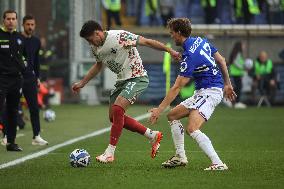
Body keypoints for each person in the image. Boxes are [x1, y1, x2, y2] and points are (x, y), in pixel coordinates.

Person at [72, 20, 179, 163]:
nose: (90, 43)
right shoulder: (95, 48)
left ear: (97, 33)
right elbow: (98, 66)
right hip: (121, 81)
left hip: (137, 77)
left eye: (91, 39)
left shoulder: (119, 36)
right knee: (114, 117)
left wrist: (170, 50)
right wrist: (82, 83)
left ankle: (110, 153)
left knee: (118, 109)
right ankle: (152, 135)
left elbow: (146, 42)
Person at [149, 18, 236, 170]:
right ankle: (180, 156)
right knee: (173, 115)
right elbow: (221, 60)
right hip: (204, 91)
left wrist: (158, 109)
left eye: (172, 33)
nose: (171, 36)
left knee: (192, 128)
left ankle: (218, 163)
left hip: (210, 91)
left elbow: (177, 87)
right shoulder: (201, 41)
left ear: (179, 33)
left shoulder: (189, 55)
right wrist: (227, 83)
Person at [0, 10, 27, 151]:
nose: (11, 21)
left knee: (13, 111)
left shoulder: (20, 38)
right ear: (3, 20)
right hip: (2, 79)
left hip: (16, 80)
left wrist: (24, 68)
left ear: (16, 21)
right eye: (8, 19)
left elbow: (25, 58)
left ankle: (11, 142)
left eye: (13, 19)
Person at [21, 15, 48, 145]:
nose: (30, 27)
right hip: (15, 78)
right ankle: (7, 136)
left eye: (32, 25)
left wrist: (37, 77)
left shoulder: (36, 41)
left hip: (30, 78)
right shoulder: (17, 39)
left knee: (34, 108)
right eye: (28, 24)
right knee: (11, 107)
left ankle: (36, 136)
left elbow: (36, 61)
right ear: (23, 25)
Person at [229, 41, 247, 108]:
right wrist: (243, 68)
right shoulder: (238, 53)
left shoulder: (236, 53)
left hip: (236, 73)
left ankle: (233, 101)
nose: (244, 47)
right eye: (243, 45)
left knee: (237, 88)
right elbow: (235, 62)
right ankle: (236, 102)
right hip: (236, 73)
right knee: (238, 88)